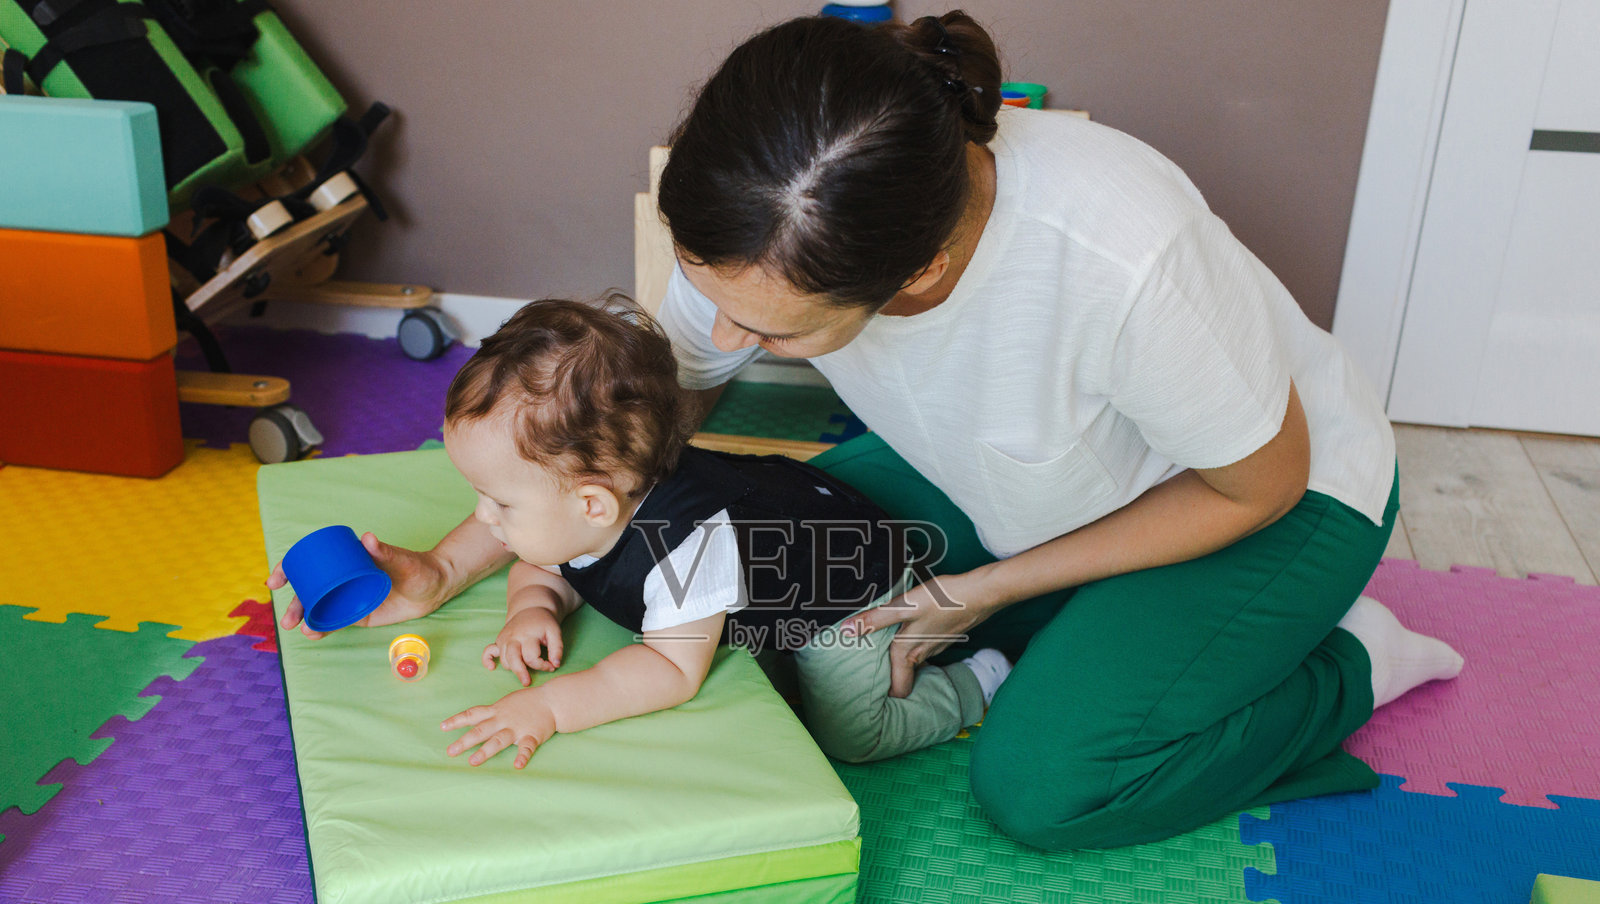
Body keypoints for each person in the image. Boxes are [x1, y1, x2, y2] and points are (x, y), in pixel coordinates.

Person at [271, 11, 1463, 850]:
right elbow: (609, 450)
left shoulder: (1118, 253)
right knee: (780, 566)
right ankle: (1092, 627)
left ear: (920, 272)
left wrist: (989, 590)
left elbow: (1257, 480)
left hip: (1268, 501)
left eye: (772, 334)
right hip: (1012, 472)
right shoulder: (765, 212)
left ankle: (1350, 658)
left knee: (1045, 786)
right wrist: (451, 563)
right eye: (704, 283)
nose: (724, 334)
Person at [412, 297, 1014, 768]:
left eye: (500, 503)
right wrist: (532, 608)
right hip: (773, 564)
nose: (484, 520)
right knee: (772, 682)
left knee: (850, 734)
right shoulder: (585, 512)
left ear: (593, 505)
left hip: (847, 589)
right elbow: (549, 566)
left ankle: (976, 682)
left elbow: (671, 671)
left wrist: (548, 706)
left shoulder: (687, 550)